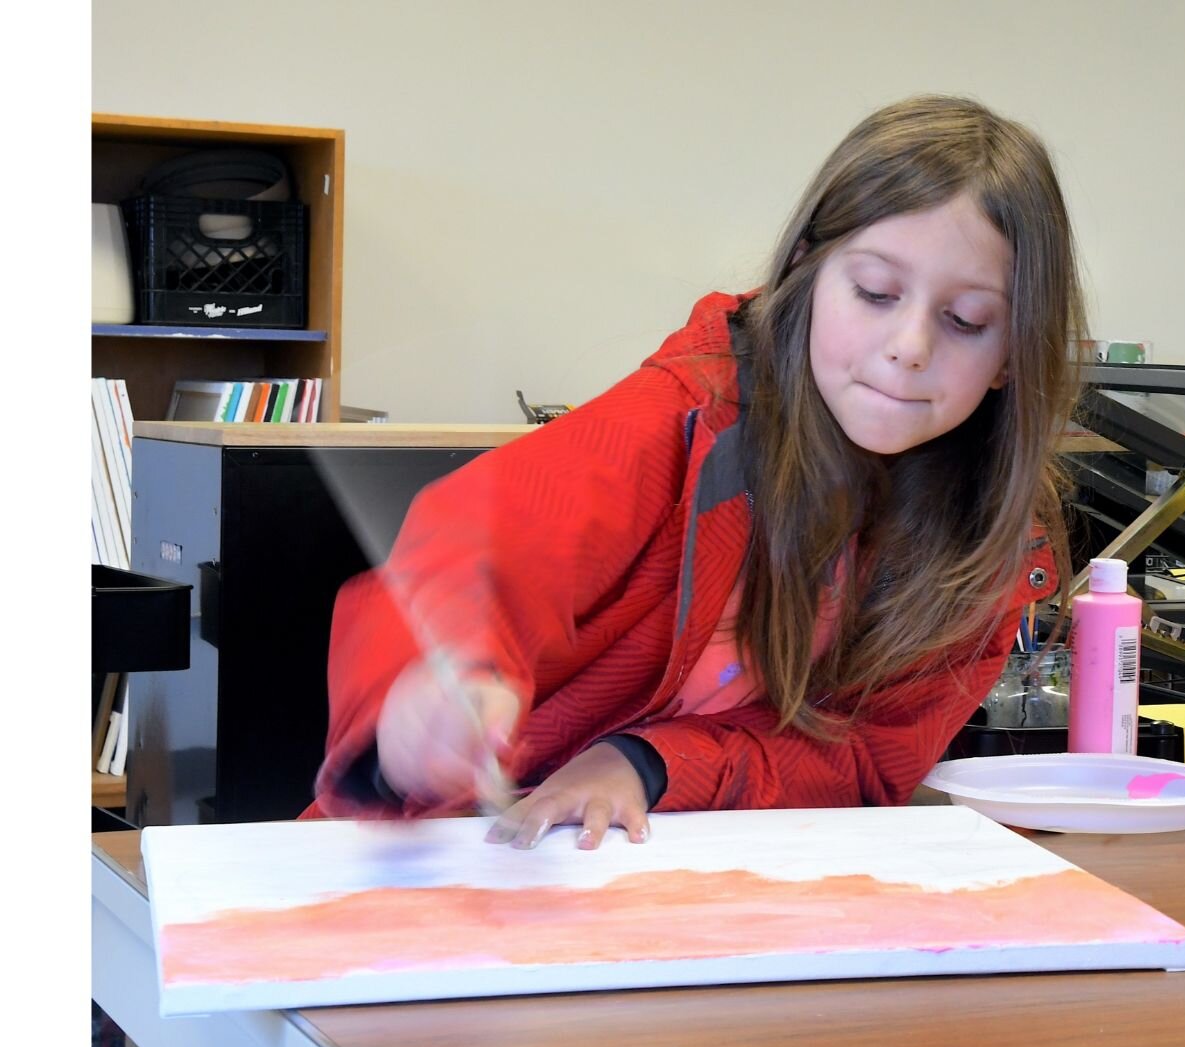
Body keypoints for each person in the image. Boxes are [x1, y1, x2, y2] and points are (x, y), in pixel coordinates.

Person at [306, 93, 1088, 851]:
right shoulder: (678, 418)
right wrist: (423, 701)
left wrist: (649, 764)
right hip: (445, 864)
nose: (910, 345)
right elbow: (475, 553)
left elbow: (865, 760)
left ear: (1013, 354)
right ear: (808, 268)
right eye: (876, 292)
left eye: (966, 321)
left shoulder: (988, 537)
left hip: (666, 894)